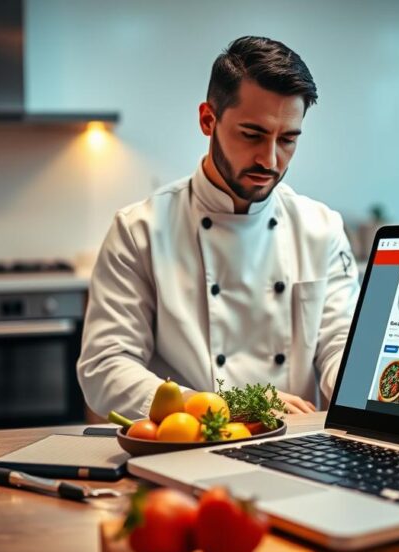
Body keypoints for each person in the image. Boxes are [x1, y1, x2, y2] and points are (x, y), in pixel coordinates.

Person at [78, 36, 360, 419]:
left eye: (287, 140)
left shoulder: (321, 228)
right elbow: (105, 367)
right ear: (208, 120)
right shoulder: (138, 231)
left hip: (297, 441)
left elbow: (341, 344)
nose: (270, 159)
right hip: (190, 443)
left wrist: (364, 395)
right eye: (252, 135)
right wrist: (224, 408)